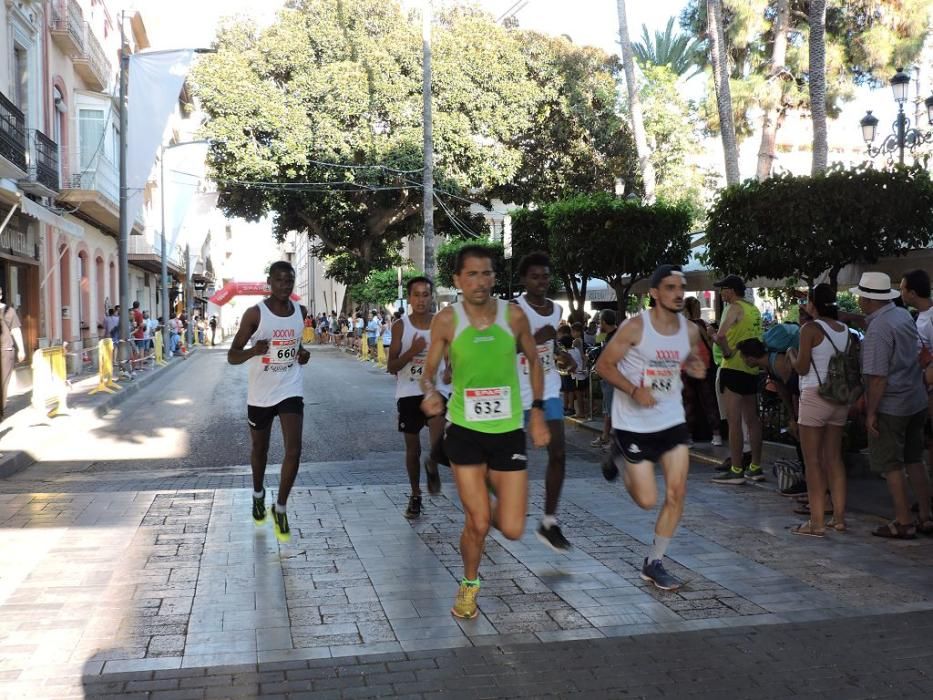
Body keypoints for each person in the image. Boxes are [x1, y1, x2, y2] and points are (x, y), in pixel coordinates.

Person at [420, 244, 549, 620]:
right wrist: (429, 394)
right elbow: (428, 373)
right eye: (472, 274)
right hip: (465, 431)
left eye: (487, 273)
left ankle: (493, 492)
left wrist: (538, 412)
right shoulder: (446, 320)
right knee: (477, 522)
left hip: (508, 430)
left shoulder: (514, 316)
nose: (480, 281)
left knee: (510, 527)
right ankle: (469, 584)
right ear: (458, 280)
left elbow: (536, 363)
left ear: (495, 277)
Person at [595, 265, 706, 590]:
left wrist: (693, 365)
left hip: (671, 418)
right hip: (633, 422)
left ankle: (654, 561)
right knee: (646, 500)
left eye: (680, 287)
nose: (677, 293)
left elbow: (682, 360)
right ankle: (619, 456)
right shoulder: (634, 328)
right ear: (655, 293)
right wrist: (633, 390)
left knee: (677, 492)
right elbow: (604, 365)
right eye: (670, 287)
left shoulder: (690, 331)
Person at [227, 260, 311, 542]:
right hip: (260, 394)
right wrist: (253, 351)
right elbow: (232, 355)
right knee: (259, 449)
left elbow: (298, 345)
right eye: (280, 280)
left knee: (294, 450)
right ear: (269, 282)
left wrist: (302, 353)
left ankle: (281, 506)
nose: (285, 285)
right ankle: (258, 493)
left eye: (289, 280)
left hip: (290, 388)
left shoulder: (301, 311)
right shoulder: (255, 314)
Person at [854, 272, 933, 539]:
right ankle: (925, 516)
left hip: (893, 404)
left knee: (891, 464)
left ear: (867, 299)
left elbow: (877, 377)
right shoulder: (901, 315)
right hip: (916, 398)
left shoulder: (878, 329)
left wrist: (872, 412)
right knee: (914, 460)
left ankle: (903, 521)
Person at [513, 252, 572, 552]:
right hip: (516, 392)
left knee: (559, 453)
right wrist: (536, 338)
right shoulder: (514, 308)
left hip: (548, 387)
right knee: (511, 462)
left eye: (546, 276)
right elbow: (505, 346)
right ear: (524, 279)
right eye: (535, 276)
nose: (542, 281)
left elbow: (550, 344)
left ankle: (549, 521)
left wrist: (561, 354)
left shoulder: (556, 308)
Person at [786, 284, 850, 537]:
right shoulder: (844, 329)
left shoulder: (809, 329)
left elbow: (802, 368)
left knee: (812, 461)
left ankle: (816, 522)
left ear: (814, 304)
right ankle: (839, 518)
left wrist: (791, 355)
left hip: (814, 395)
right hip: (839, 397)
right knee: (834, 458)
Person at [387, 277, 444, 519]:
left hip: (435, 390)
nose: (421, 300)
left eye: (425, 295)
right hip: (409, 391)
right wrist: (413, 350)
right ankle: (415, 494)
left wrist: (451, 368)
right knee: (412, 449)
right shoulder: (401, 326)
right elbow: (392, 366)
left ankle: (433, 463)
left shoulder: (442, 323)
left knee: (438, 438)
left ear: (432, 297)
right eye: (416, 295)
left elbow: (451, 353)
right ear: (409, 298)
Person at [711, 275, 765, 485]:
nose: (720, 293)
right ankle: (756, 466)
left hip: (732, 368)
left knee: (734, 422)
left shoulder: (733, 308)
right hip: (751, 368)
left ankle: (736, 469)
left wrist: (724, 350)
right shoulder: (754, 310)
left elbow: (721, 336)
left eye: (722, 289)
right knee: (752, 420)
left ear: (731, 290)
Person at [683, 296, 721, 445]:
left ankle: (688, 437)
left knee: (688, 402)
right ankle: (716, 434)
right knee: (709, 400)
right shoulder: (701, 324)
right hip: (703, 365)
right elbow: (710, 344)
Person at [591, 310, 618, 449]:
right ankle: (605, 436)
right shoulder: (606, 335)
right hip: (606, 376)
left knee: (613, 409)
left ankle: (614, 440)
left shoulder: (616, 336)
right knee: (607, 408)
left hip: (614, 376)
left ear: (604, 321)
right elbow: (597, 341)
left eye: (600, 320)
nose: (598, 323)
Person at [0, 287, 26, 420]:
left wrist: (21, 348)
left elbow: (16, 330)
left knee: (3, 382)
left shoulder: (9, 312)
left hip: (5, 351)